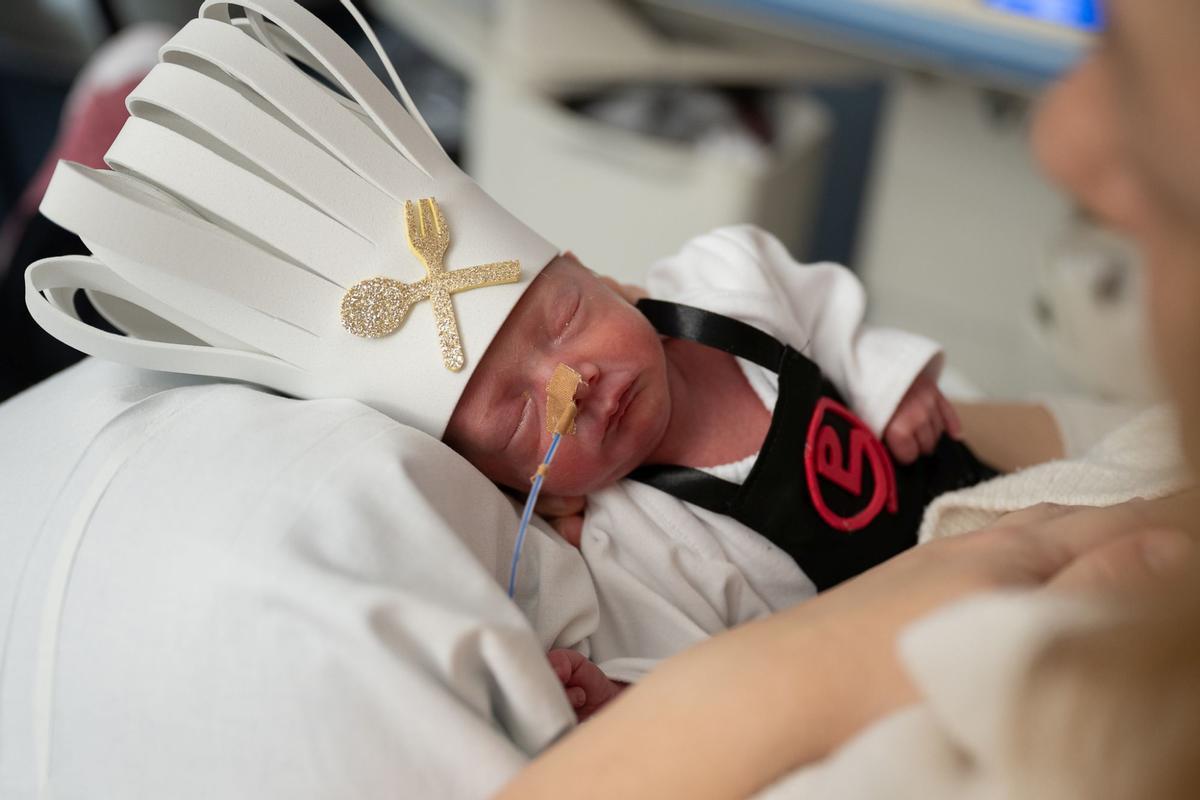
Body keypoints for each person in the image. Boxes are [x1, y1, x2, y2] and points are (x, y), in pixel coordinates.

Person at [498, 0, 1200, 794]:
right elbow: (692, 653)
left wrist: (890, 386)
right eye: (522, 416)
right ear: (530, 493)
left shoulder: (721, 283)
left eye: (566, 318)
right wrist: (625, 698)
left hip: (939, 478)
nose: (570, 384)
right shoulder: (634, 540)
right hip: (881, 609)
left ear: (600, 278)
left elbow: (830, 317)